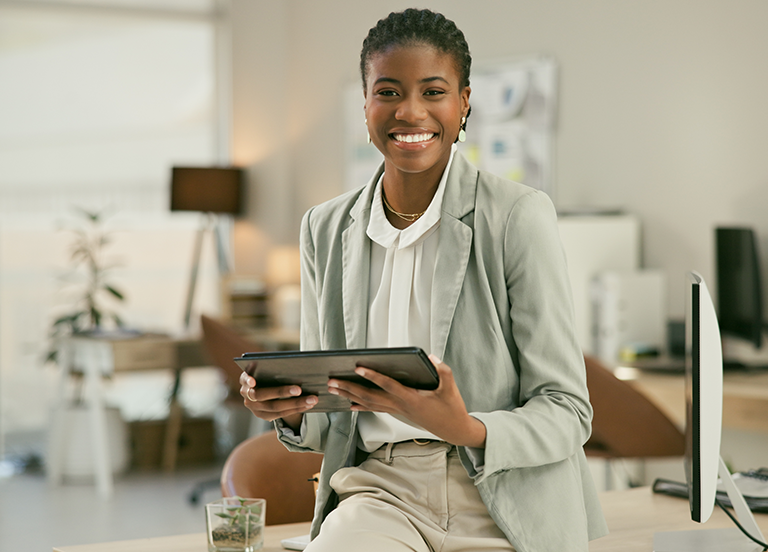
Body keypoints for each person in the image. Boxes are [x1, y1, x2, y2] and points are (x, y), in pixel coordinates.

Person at [240, 8, 607, 552]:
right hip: (381, 491)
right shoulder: (325, 227)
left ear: (463, 106)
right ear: (364, 107)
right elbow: (330, 422)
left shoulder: (516, 216)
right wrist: (292, 408)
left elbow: (568, 411)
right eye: (387, 92)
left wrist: (466, 429)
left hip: (504, 498)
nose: (409, 111)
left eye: (433, 91)